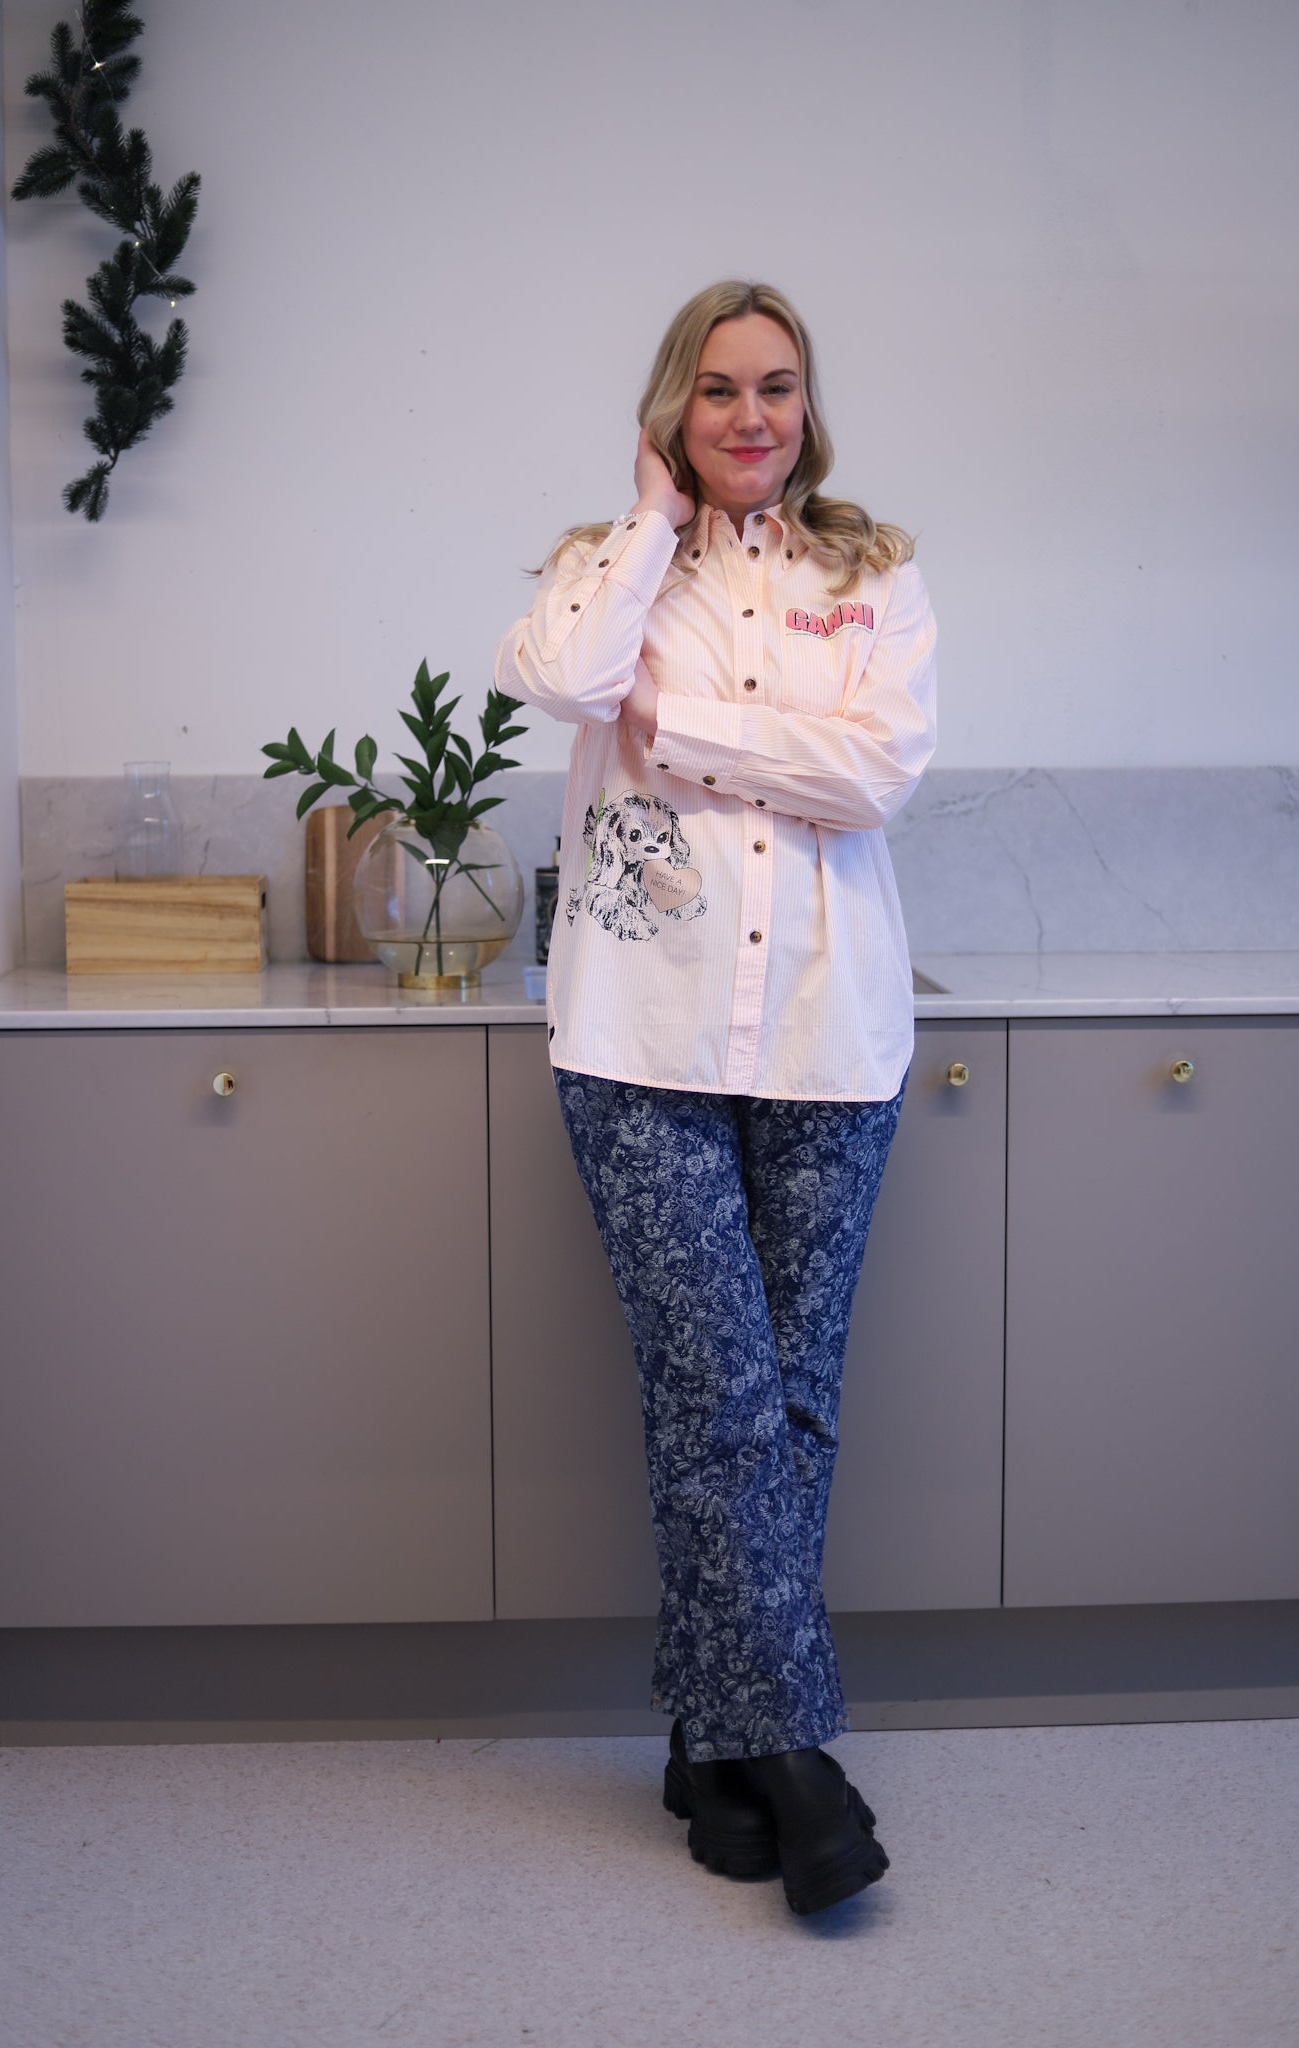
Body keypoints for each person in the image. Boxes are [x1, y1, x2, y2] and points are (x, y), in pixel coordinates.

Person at [493, 280, 937, 1918]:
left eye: (779, 386)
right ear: (672, 410)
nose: (753, 415)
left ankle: (711, 1739)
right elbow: (562, 677)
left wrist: (679, 727)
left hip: (831, 1042)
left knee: (789, 1405)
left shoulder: (870, 576)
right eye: (720, 388)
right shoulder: (601, 570)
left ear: (807, 408)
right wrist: (648, 528)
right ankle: (795, 1754)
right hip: (641, 1047)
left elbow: (875, 774)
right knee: (724, 1402)